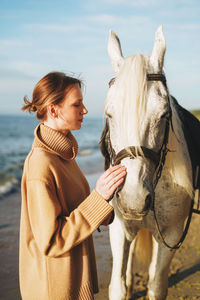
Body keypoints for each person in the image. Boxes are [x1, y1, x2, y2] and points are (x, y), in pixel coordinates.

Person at [20, 71, 126, 300]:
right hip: (55, 289)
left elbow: (73, 208)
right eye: (77, 104)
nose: (85, 110)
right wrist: (98, 197)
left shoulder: (63, 155)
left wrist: (106, 200)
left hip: (74, 280)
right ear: (53, 110)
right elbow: (51, 242)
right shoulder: (41, 164)